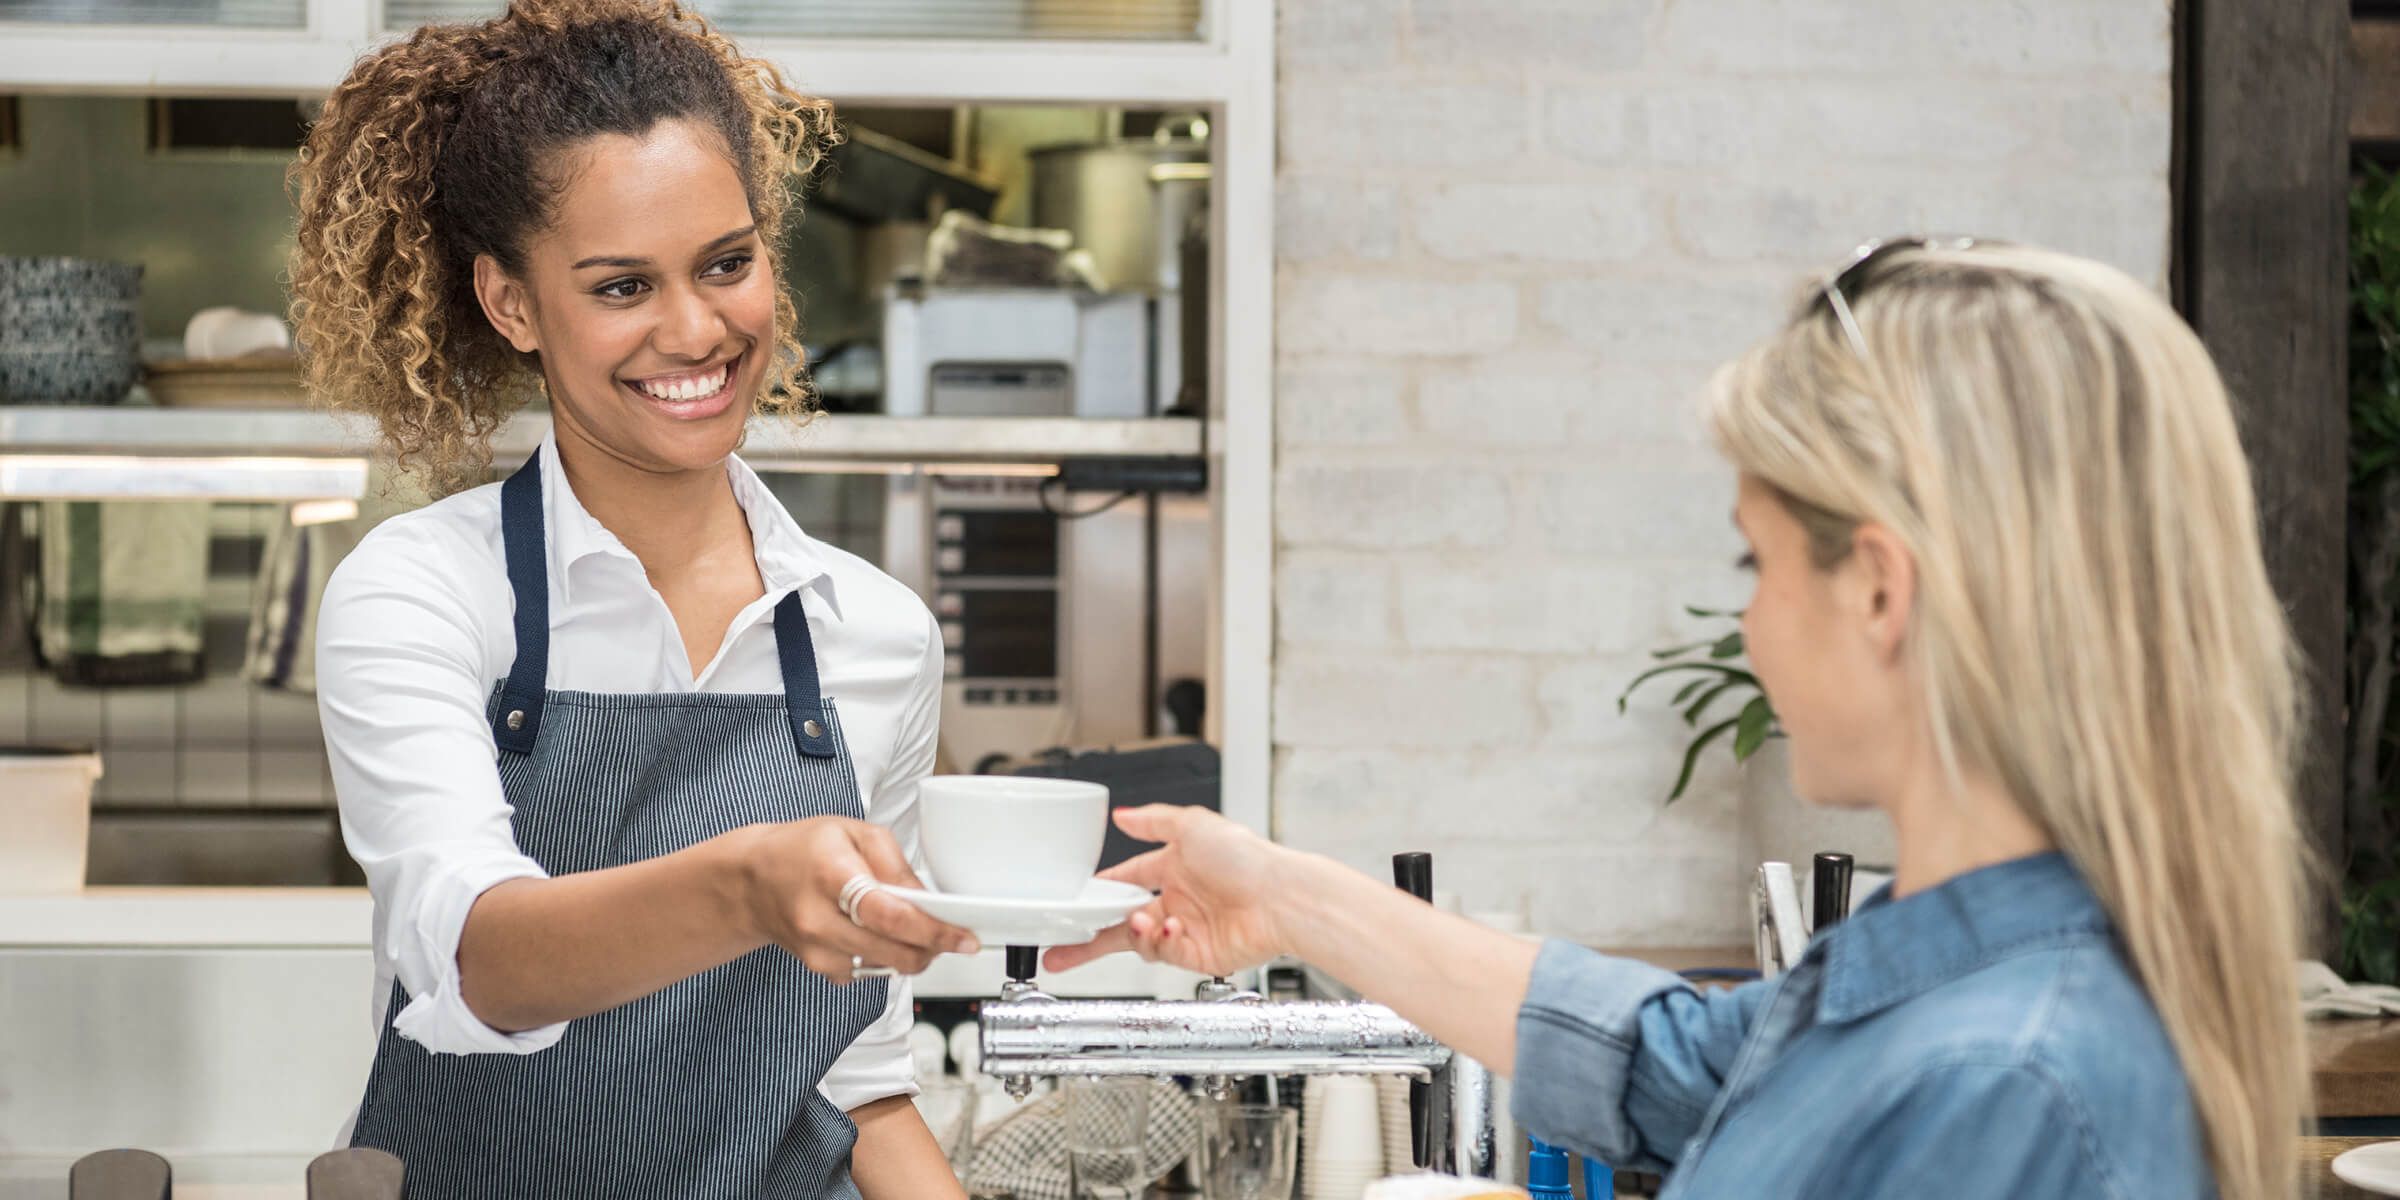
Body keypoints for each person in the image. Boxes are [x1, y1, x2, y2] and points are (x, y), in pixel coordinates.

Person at [1051, 239, 2309, 1199]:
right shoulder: (1950, 975)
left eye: (1756, 563)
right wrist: (1283, 896)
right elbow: (1665, 1058)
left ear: (1879, 589)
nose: (1750, 624)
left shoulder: (1999, 1082)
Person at [289, 2, 975, 1195]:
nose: (698, 329)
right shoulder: (423, 594)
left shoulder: (875, 637)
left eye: (727, 262)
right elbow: (480, 956)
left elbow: (859, 1073)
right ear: (511, 305)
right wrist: (755, 884)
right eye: (621, 287)